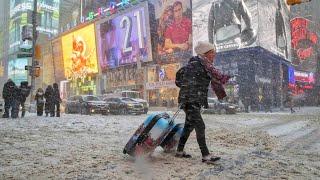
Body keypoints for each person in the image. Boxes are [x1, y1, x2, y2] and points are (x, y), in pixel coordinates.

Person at [175, 41, 230, 164]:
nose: (214, 55)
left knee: (188, 126)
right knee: (200, 125)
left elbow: (179, 80)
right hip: (190, 100)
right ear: (204, 53)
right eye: (211, 52)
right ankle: (205, 155)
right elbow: (179, 78)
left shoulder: (202, 65)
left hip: (192, 99)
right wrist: (189, 92)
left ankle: (179, 151)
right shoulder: (196, 65)